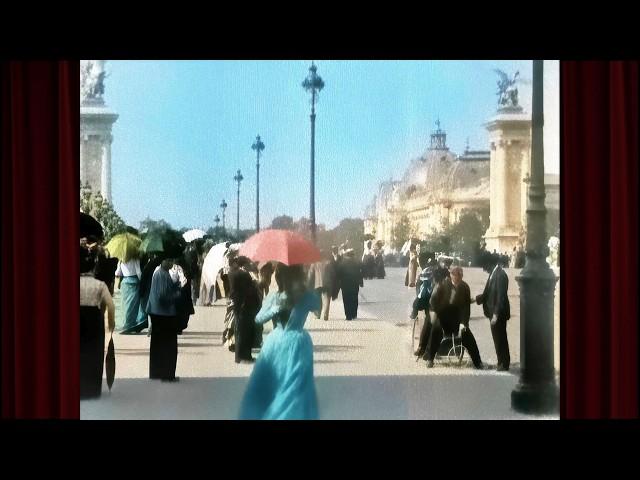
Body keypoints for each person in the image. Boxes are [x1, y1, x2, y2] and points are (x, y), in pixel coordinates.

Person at [239, 264, 320, 420]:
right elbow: (317, 307)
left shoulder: (275, 297)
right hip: (299, 342)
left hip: (277, 341)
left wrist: (273, 310)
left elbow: (258, 319)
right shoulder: (306, 296)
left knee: (275, 381)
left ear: (279, 278)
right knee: (295, 384)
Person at [80, 245, 115, 399]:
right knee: (95, 353)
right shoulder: (100, 285)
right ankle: (93, 390)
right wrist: (110, 323)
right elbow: (111, 305)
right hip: (94, 317)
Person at [146, 257, 182, 381]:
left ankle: (157, 373)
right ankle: (167, 374)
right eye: (169, 261)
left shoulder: (162, 273)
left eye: (172, 261)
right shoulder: (162, 274)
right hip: (164, 314)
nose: (171, 263)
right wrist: (177, 294)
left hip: (157, 312)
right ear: (163, 261)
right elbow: (163, 296)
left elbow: (165, 289)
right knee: (168, 346)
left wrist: (175, 284)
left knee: (158, 345)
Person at [475, 253, 511, 371]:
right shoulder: (493, 273)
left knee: (500, 338)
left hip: (498, 312)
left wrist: (495, 314)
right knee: (497, 338)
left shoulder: (500, 275)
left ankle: (504, 363)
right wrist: (476, 299)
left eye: (485, 266)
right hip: (493, 311)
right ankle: (501, 361)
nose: (484, 269)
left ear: (489, 263)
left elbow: (501, 296)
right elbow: (487, 292)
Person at [228, 256, 262, 364]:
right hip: (244, 306)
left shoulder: (233, 273)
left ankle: (244, 356)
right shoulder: (243, 275)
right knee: (244, 333)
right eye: (248, 264)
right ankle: (242, 356)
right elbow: (247, 290)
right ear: (244, 265)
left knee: (242, 331)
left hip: (239, 306)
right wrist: (255, 285)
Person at [116, 256, 147, 334]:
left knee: (125, 304)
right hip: (134, 282)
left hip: (125, 282)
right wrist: (142, 281)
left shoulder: (121, 259)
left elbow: (117, 273)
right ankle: (130, 325)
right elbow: (138, 272)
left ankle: (124, 324)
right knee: (133, 305)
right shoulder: (135, 258)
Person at [307, 250, 337, 321]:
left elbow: (310, 274)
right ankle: (325, 315)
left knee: (317, 299)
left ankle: (318, 314)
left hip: (318, 284)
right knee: (327, 300)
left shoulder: (314, 263)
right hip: (327, 284)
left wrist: (308, 284)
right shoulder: (329, 263)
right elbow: (333, 274)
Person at [337, 249, 363, 320]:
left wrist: (339, 283)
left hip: (345, 285)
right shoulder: (357, 262)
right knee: (354, 299)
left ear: (346, 255)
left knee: (346, 300)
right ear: (353, 255)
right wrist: (361, 282)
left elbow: (338, 274)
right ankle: (354, 314)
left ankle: (348, 316)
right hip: (355, 284)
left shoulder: (342, 263)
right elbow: (361, 272)